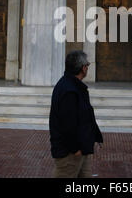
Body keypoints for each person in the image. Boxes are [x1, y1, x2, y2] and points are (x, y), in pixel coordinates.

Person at [49, 50, 103, 178]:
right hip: (70, 154)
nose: (87, 68)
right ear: (83, 68)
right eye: (87, 65)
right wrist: (75, 149)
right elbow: (67, 125)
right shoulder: (69, 90)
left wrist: (95, 136)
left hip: (80, 151)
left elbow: (85, 116)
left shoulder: (74, 87)